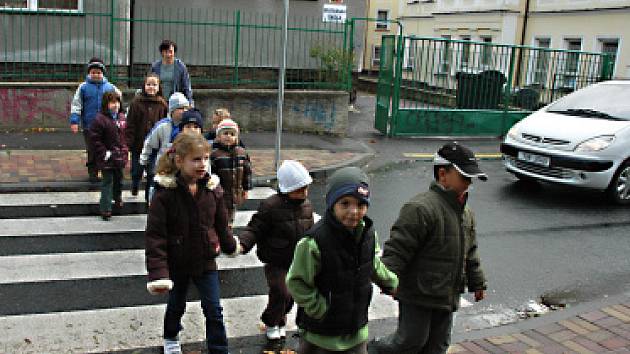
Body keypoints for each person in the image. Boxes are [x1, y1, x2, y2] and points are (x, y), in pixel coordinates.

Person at [370, 142, 488, 354]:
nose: (469, 184)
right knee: (410, 342)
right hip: (418, 294)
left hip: (447, 295)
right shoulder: (420, 208)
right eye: (464, 178)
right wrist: (387, 281)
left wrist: (477, 281)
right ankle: (372, 350)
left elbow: (470, 252)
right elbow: (398, 249)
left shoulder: (466, 213)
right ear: (443, 174)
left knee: (438, 346)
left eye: (471, 179)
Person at [144, 132, 241, 354]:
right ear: (179, 161)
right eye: (196, 159)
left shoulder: (211, 189)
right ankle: (171, 336)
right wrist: (159, 272)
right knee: (176, 305)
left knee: (214, 309)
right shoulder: (165, 195)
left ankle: (219, 349)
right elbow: (155, 236)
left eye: (205, 158)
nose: (202, 164)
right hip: (178, 262)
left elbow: (221, 224)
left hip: (206, 260)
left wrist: (230, 246)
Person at [286, 167, 398, 354]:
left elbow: (372, 264)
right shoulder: (314, 242)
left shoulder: (368, 234)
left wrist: (392, 284)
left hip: (357, 328)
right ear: (332, 204)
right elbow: (296, 282)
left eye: (360, 205)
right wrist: (319, 308)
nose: (353, 211)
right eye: (345, 203)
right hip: (323, 334)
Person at [238, 160, 315, 341]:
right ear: (286, 189)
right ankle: (271, 322)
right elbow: (255, 228)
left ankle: (280, 318)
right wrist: (242, 244)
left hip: (298, 261)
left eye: (305, 188)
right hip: (276, 260)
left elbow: (312, 231)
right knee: (281, 292)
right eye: (298, 189)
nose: (303, 193)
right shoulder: (270, 206)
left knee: (292, 295)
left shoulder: (307, 206)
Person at [69, 57, 121, 183]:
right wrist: (74, 121)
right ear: (89, 73)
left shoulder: (110, 88)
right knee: (92, 149)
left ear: (103, 73)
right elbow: (77, 104)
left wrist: (118, 119)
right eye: (93, 72)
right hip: (90, 126)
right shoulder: (83, 88)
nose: (96, 75)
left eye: (98, 72)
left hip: (107, 126)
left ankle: (104, 169)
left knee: (106, 148)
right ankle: (93, 171)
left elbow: (119, 104)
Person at [139, 92, 190, 202]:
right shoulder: (162, 126)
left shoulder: (189, 126)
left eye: (186, 108)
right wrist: (144, 161)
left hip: (181, 166)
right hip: (162, 165)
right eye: (181, 108)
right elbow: (149, 144)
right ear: (172, 110)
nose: (184, 111)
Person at [125, 73, 168, 197]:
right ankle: (135, 184)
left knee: (151, 172)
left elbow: (165, 123)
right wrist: (129, 141)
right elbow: (131, 123)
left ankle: (149, 197)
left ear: (159, 87)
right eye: (148, 84)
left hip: (155, 145)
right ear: (144, 86)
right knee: (137, 170)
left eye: (154, 85)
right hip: (138, 144)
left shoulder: (162, 104)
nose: (151, 87)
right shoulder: (136, 103)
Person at [88, 91, 128, 221]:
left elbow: (125, 136)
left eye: (117, 102)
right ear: (106, 104)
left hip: (119, 155)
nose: (115, 105)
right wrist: (105, 153)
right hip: (107, 157)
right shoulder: (100, 120)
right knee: (107, 181)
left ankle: (117, 197)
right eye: (112, 103)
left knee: (119, 179)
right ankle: (105, 208)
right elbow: (95, 139)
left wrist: (125, 150)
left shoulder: (122, 117)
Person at [210, 119, 252, 226]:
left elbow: (247, 172)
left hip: (235, 192)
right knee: (219, 217)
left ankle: (228, 232)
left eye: (232, 134)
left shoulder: (242, 153)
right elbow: (211, 175)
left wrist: (246, 189)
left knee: (231, 217)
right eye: (225, 133)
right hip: (220, 194)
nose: (229, 136)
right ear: (218, 136)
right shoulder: (214, 155)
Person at [151, 39, 193, 105]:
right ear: (162, 52)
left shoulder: (180, 67)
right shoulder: (155, 66)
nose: (168, 54)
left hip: (175, 101)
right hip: (158, 101)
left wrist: (190, 102)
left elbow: (186, 86)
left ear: (174, 52)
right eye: (165, 52)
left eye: (170, 51)